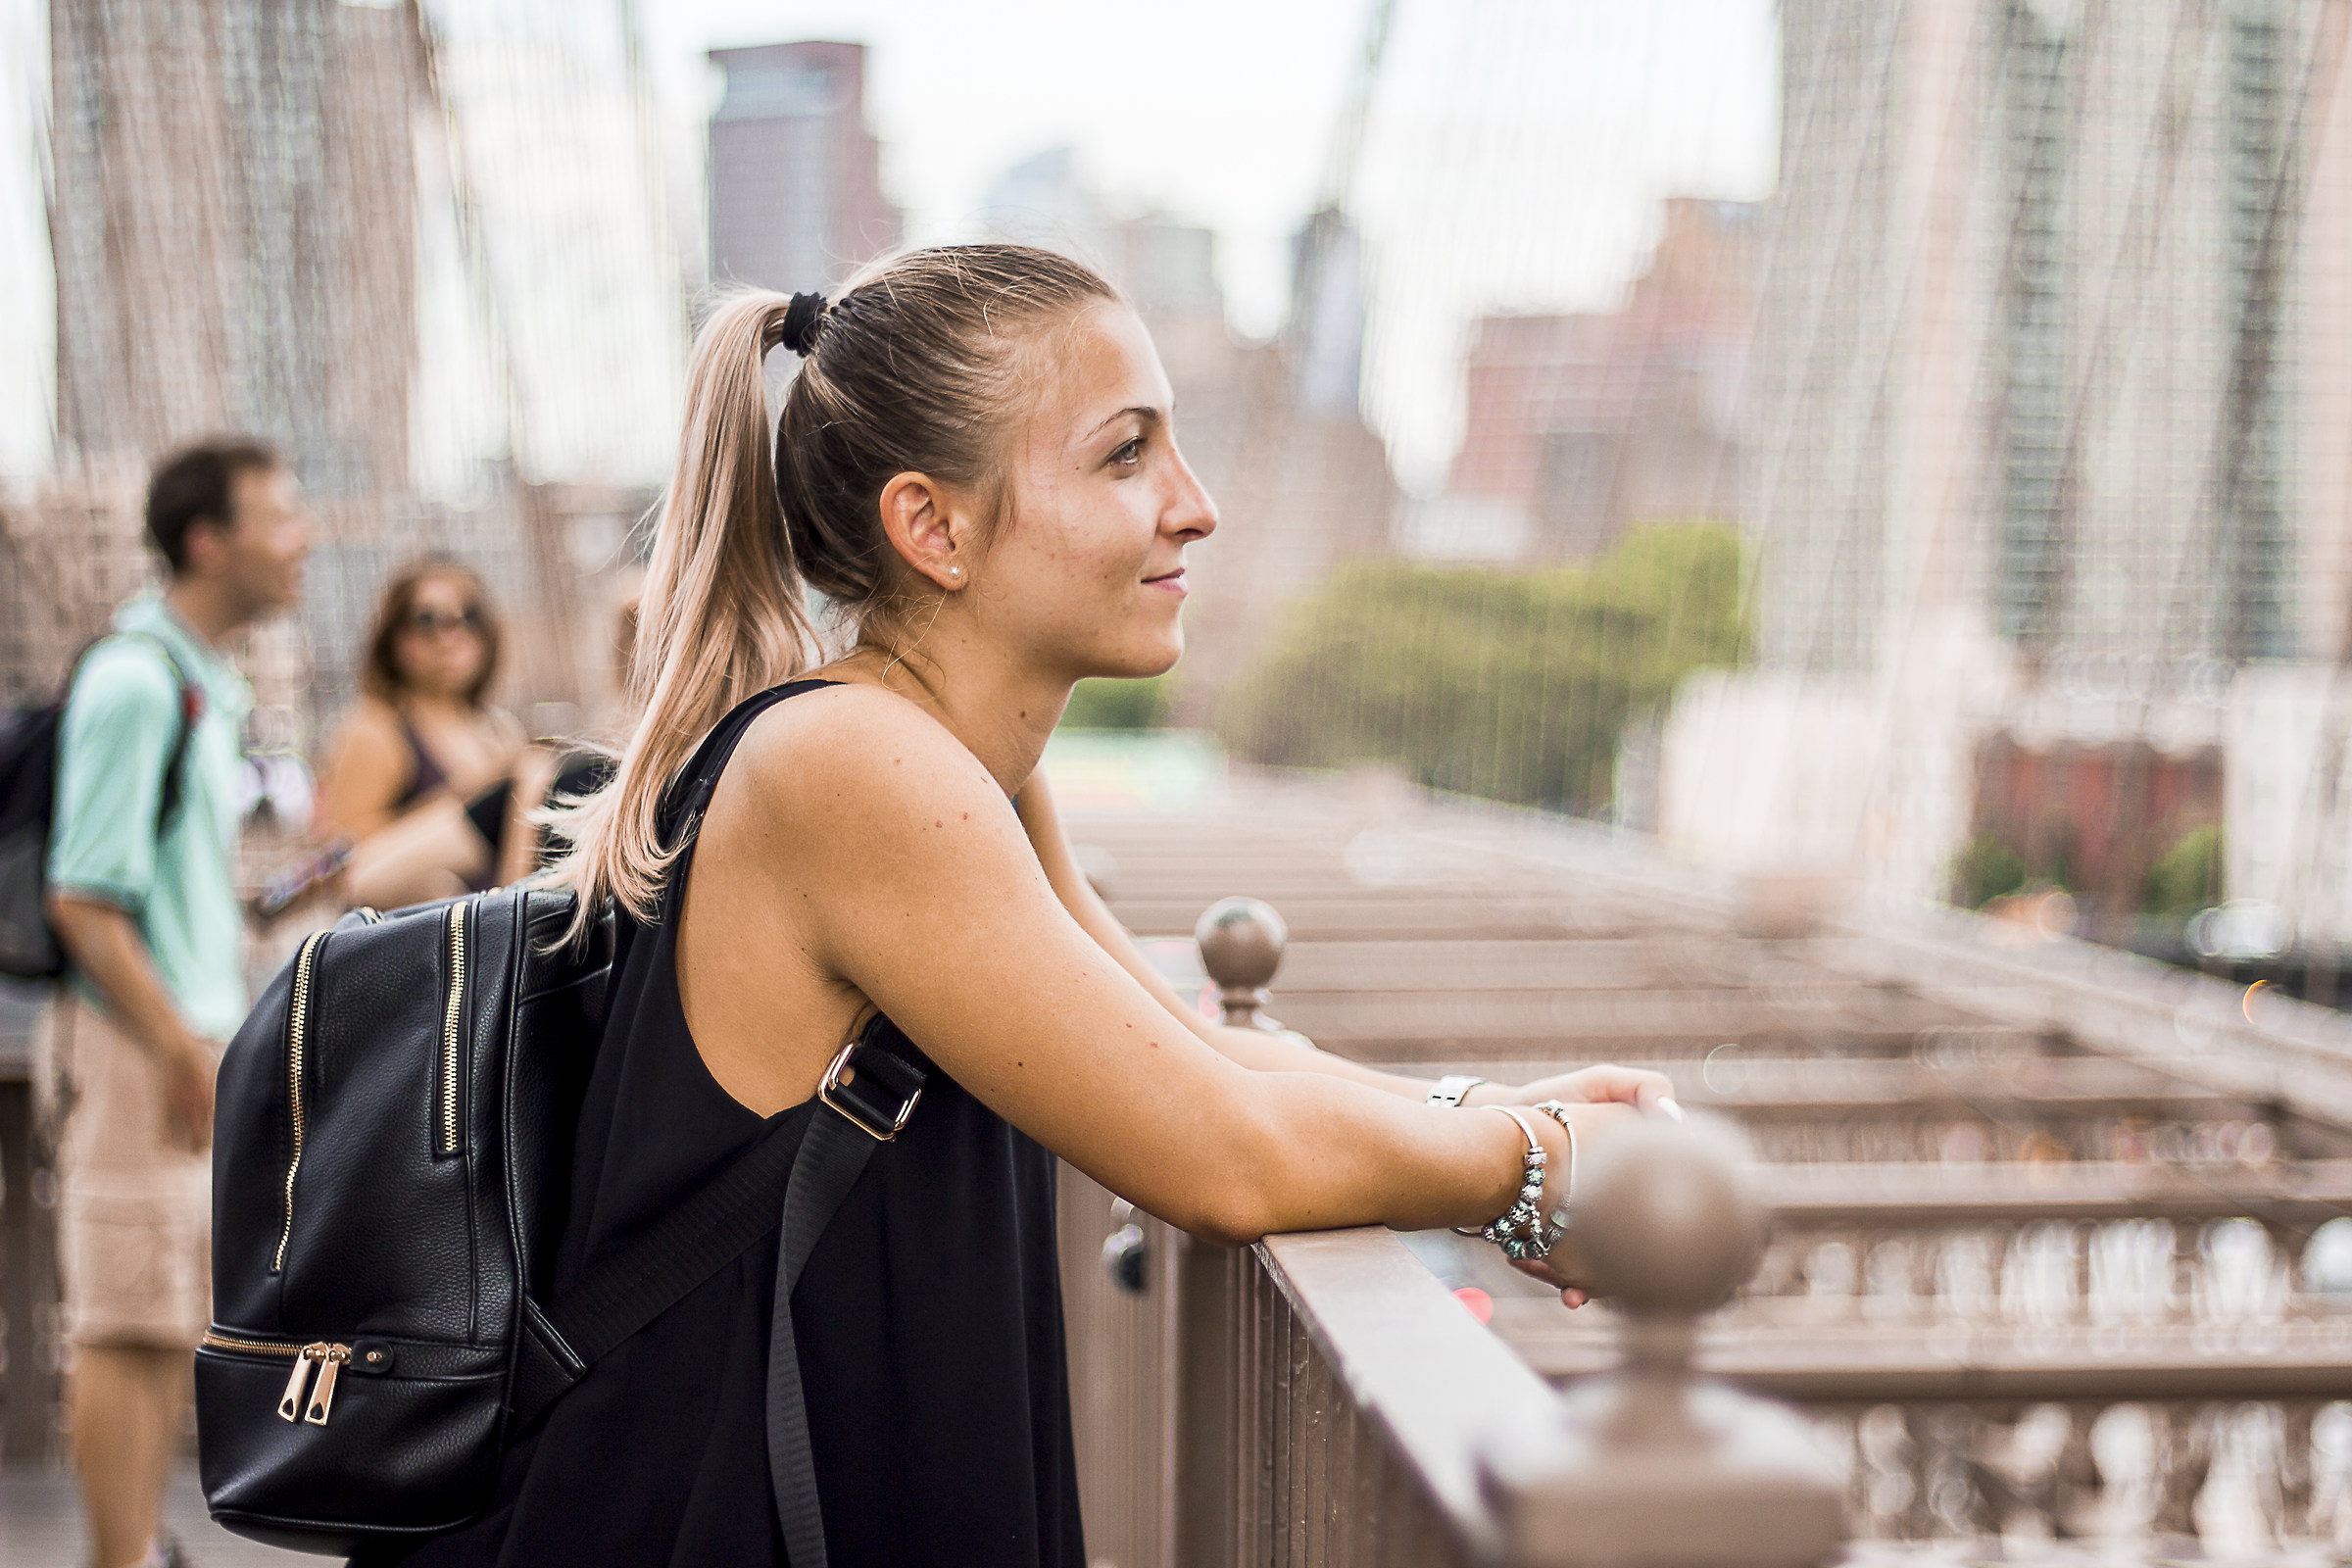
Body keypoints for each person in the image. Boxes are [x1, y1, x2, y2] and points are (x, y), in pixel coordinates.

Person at [384, 248, 1677, 1568]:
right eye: (1127, 456)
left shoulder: (966, 767)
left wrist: (1491, 1114)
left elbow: (1195, 1049)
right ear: (933, 527)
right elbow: (1222, 1155)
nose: (1198, 507)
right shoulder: (854, 770)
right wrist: (1538, 1173)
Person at [41, 437, 312, 1568]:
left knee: (159, 1312)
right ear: (210, 539)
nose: (297, 538)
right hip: (134, 1039)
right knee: (123, 1320)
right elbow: (83, 900)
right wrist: (178, 1050)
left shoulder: (198, 679)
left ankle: (138, 1547)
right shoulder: (134, 681)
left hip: (175, 1030)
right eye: (278, 515)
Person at [312, 559, 533, 906]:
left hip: (498, 934)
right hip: (419, 940)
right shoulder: (377, 730)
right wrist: (475, 796)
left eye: (468, 617)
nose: (449, 638)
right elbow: (345, 861)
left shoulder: (500, 729)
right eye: (426, 621)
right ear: (393, 638)